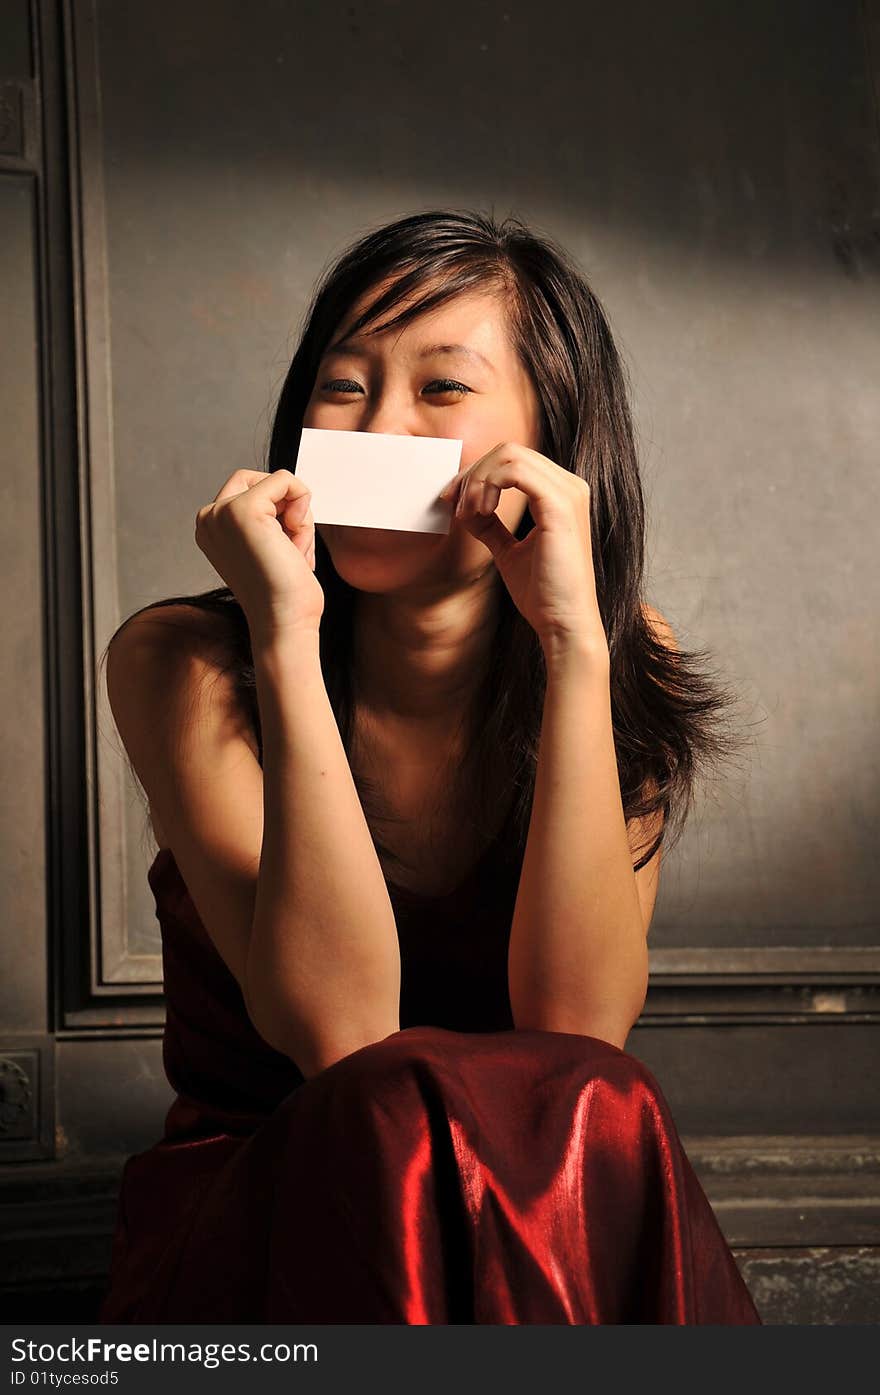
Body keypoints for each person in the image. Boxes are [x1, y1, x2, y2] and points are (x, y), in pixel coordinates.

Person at [97, 208, 761, 1324]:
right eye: (344, 386)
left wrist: (573, 645)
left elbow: (579, 1034)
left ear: (548, 436)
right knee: (391, 1104)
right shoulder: (186, 659)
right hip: (272, 1208)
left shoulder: (616, 648)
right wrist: (287, 636)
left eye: (442, 390)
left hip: (533, 1203)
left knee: (598, 1100)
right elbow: (341, 1032)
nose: (380, 427)